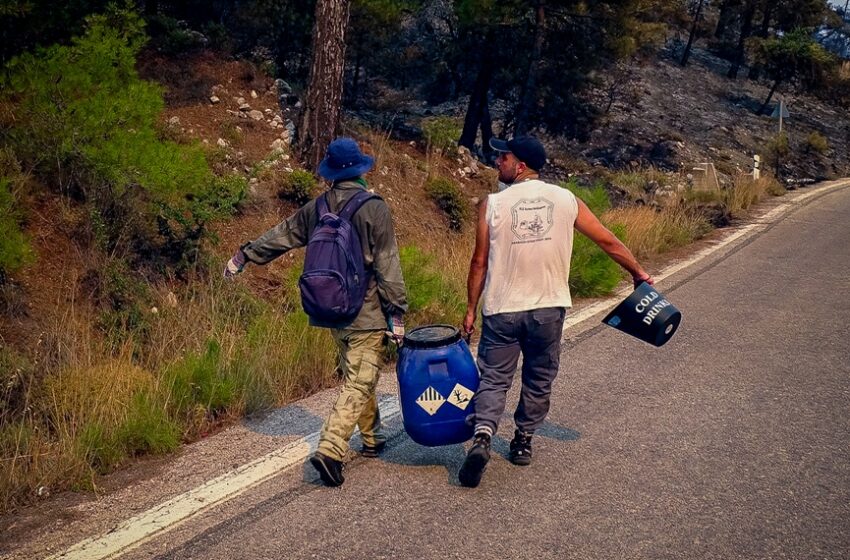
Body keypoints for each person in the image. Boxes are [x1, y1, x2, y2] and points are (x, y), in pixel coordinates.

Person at [459, 136, 654, 488]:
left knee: (493, 377)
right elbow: (607, 239)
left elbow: (479, 262)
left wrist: (471, 309)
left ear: (520, 166)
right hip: (548, 309)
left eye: (503, 157)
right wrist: (636, 272)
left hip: (502, 309)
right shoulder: (566, 200)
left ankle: (483, 436)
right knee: (539, 375)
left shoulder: (492, 204)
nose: (497, 161)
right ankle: (522, 441)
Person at [223, 137, 408, 487]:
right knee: (361, 378)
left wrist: (244, 255)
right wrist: (396, 314)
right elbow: (388, 266)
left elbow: (282, 235)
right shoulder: (374, 208)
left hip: (330, 308)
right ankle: (330, 449)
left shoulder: (319, 207)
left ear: (331, 176)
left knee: (358, 374)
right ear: (361, 171)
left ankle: (373, 438)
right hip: (365, 313)